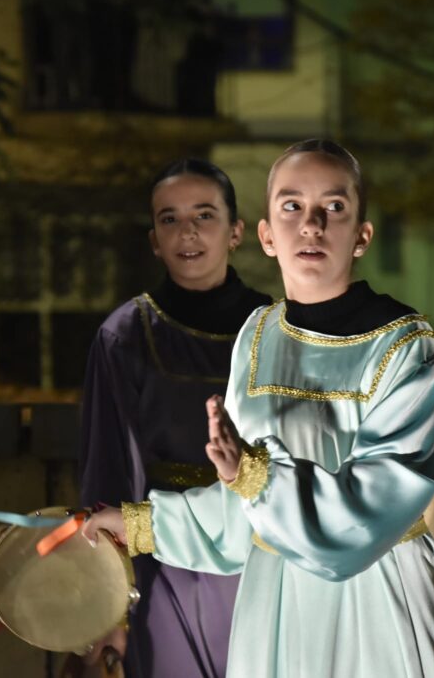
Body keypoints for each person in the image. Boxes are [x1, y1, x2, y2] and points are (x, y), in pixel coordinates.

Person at [86, 140, 434, 677]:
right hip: (277, 603)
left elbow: (379, 502)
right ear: (267, 235)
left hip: (376, 596)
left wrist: (255, 476)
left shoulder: (404, 348)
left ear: (361, 236)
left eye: (333, 207)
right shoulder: (258, 336)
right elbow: (240, 513)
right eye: (292, 206)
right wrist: (139, 525)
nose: (311, 224)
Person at [78, 159, 270, 677]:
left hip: (261, 555)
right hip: (164, 564)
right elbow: (106, 469)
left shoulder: (275, 330)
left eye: (204, 215)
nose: (187, 232)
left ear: (236, 232)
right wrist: (107, 604)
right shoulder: (125, 335)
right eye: (170, 219)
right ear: (154, 241)